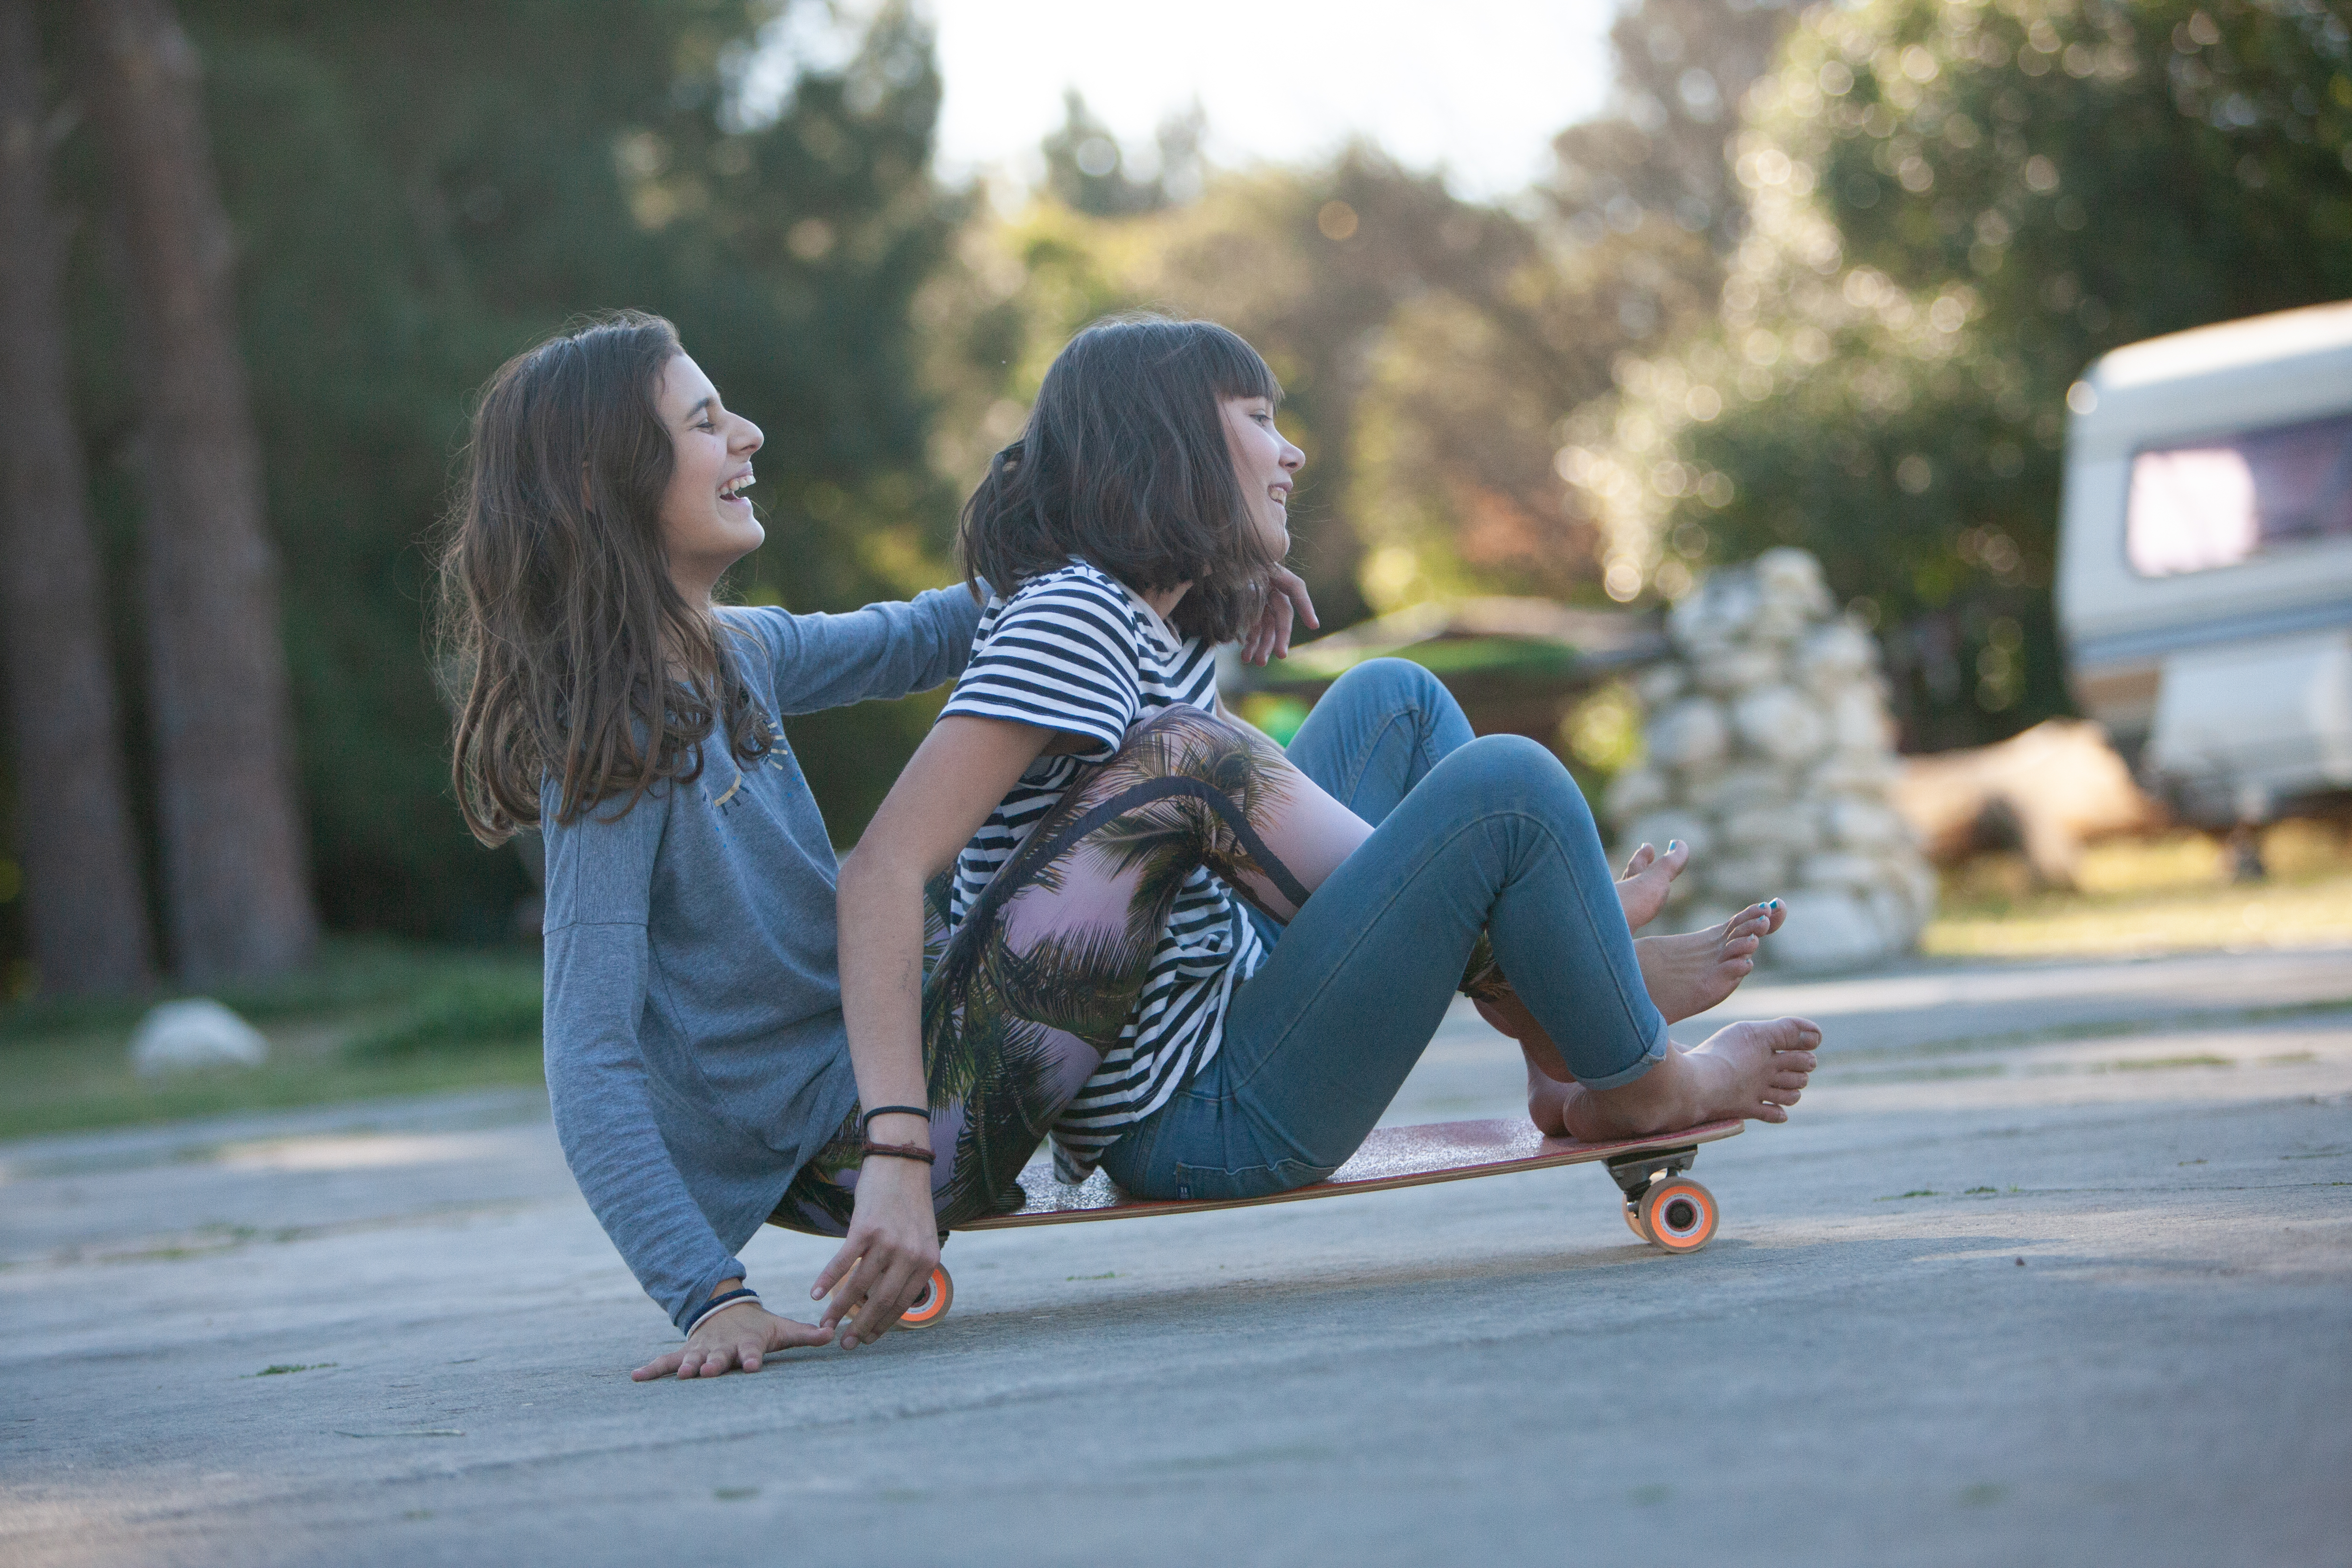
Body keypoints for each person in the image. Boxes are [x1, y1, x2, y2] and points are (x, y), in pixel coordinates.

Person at [817, 313, 1821, 1363]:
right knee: (1508, 787)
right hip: (1201, 1116)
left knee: (1397, 699)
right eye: (1258, 419)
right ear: (1171, 450)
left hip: (1234, 1007)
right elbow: (885, 866)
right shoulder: (1076, 618)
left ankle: (1560, 1045)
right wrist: (897, 1141)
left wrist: (1218, 579)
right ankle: (1639, 1060)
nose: (1291, 450)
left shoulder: (1131, 613)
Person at [438, 311, 1319, 1381]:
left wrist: (1200, 550)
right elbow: (588, 1058)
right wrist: (708, 1293)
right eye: (706, 422)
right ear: (600, 482)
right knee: (1186, 762)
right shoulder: (612, 752)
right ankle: (1441, 934)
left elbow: (944, 626)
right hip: (853, 1146)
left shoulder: (738, 654)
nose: (749, 434)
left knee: (1385, 709)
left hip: (903, 1067)